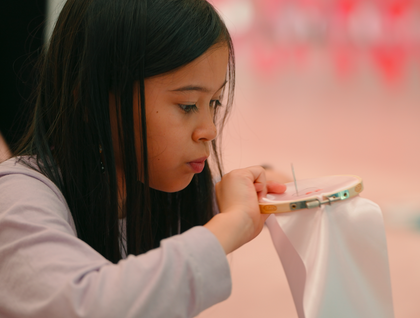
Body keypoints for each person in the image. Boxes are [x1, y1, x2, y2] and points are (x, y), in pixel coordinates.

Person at [0, 0, 286, 317]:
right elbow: (87, 306)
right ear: (90, 101)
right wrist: (234, 223)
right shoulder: (18, 199)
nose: (209, 130)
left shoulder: (158, 192)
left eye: (215, 103)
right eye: (188, 105)